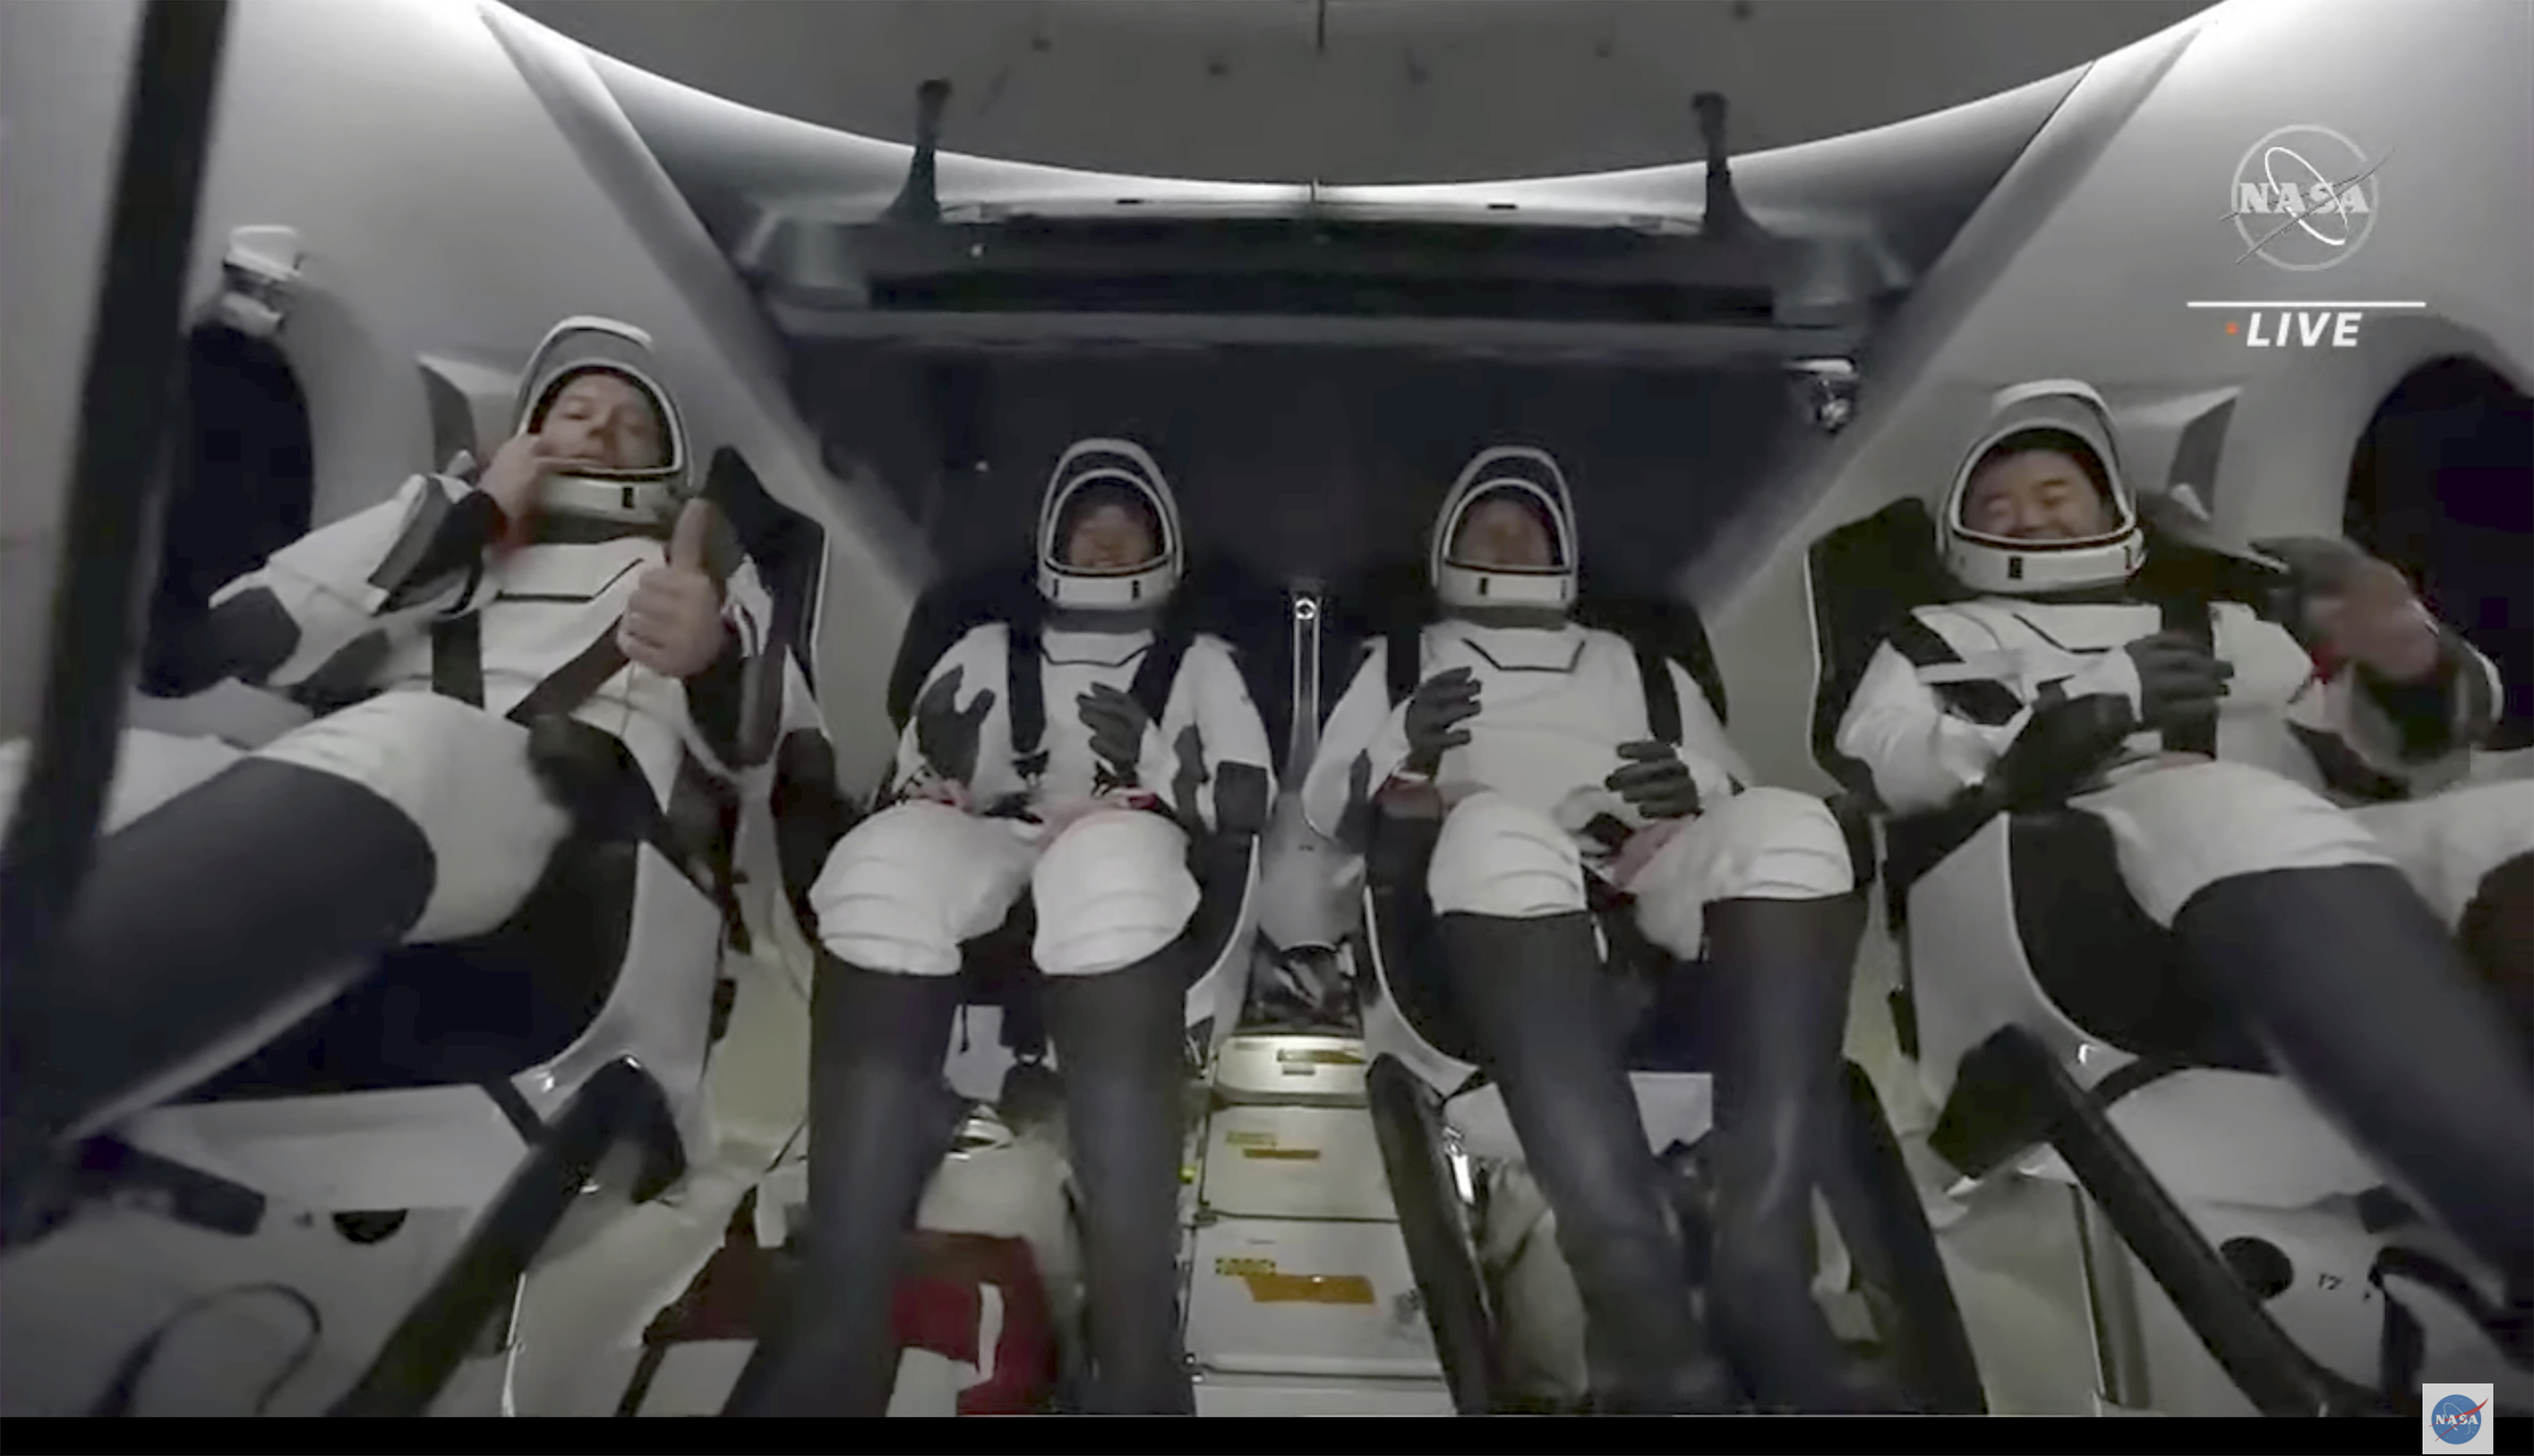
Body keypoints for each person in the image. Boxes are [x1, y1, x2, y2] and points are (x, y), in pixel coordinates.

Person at [1, 317, 815, 1228]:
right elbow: (240, 637)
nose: (598, 429)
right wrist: (465, 515)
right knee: (109, 773)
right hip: (356, 796)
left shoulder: (694, 583)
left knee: (416, 743)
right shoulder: (441, 548)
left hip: (566, 836)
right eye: (576, 411)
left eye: (631, 425)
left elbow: (779, 769)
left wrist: (710, 658)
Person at [1832, 379, 2534, 1300]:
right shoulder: (1935, 639)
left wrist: (2409, 663)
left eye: (2056, 495)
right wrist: (2066, 724)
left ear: (2110, 509)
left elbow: (2389, 745)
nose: (2030, 518)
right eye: (1999, 506)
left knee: (2505, 818)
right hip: (2068, 857)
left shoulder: (2217, 621)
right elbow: (1883, 754)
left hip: (2308, 848)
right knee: (2231, 804)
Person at [1300, 445, 1892, 1414]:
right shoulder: (1399, 664)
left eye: (1526, 528)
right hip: (1475, 904)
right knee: (1499, 832)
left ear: (1564, 551)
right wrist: (1407, 755)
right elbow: (1331, 805)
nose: (1507, 541)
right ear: (1445, 550)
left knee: (1796, 826)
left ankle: (1764, 1260)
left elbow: (1729, 793)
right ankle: (1637, 1301)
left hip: (1645, 873)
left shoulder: (1642, 667)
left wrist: (1691, 786)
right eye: (1486, 527)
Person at [725, 438, 1273, 1417]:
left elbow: (1245, 796)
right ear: (1053, 542)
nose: (1106, 544)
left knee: (1108, 874)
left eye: (1128, 529)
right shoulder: (983, 650)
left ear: (1166, 549)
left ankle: (1135, 1345)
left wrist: (1155, 761)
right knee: (881, 866)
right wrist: (932, 775)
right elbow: (917, 777)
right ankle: (839, 1318)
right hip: (993, 830)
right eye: (1089, 528)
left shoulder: (1201, 665)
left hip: (1131, 834)